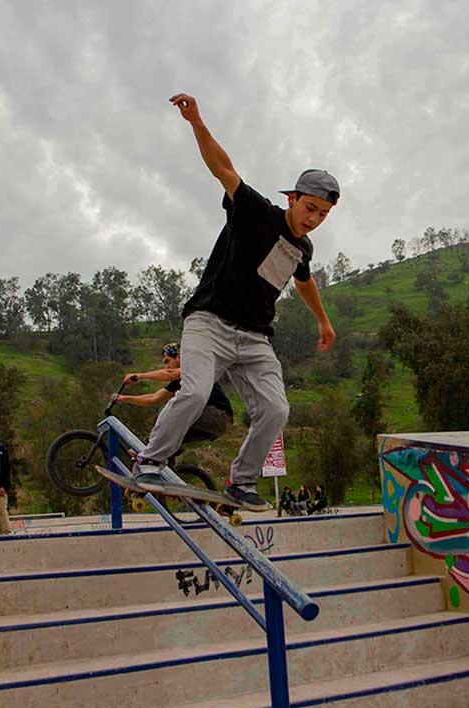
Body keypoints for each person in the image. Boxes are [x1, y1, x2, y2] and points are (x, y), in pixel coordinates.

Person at [133, 93, 338, 509]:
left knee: (276, 410)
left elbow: (304, 282)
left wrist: (323, 321)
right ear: (293, 199)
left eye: (322, 215)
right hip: (209, 323)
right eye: (310, 208)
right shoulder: (254, 210)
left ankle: (240, 482)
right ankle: (149, 460)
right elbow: (222, 168)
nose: (313, 219)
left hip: (255, 340)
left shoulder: (304, 248)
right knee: (192, 393)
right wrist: (197, 123)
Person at [113, 342, 234, 445]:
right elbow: (154, 398)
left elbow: (170, 373)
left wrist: (139, 376)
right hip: (209, 426)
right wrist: (124, 398)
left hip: (219, 417)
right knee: (167, 443)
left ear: (179, 358)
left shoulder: (192, 368)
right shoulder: (179, 380)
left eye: (167, 361)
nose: (166, 367)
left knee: (169, 410)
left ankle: (147, 448)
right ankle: (162, 467)